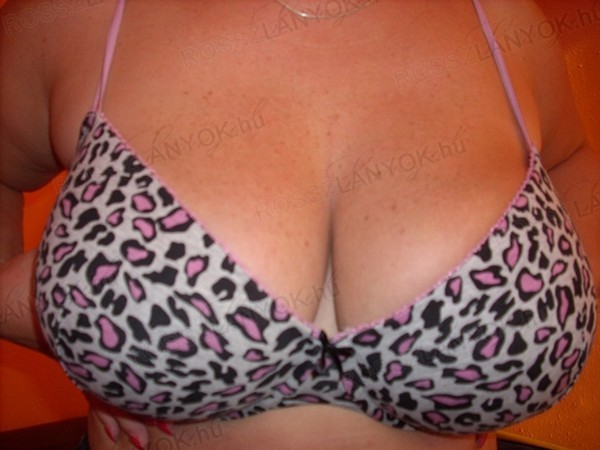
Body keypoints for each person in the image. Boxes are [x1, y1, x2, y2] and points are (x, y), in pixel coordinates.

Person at [1, 0, 598, 449]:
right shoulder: (75, 17)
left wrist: (553, 300)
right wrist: (78, 324)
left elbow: (573, 162)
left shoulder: (501, 20)